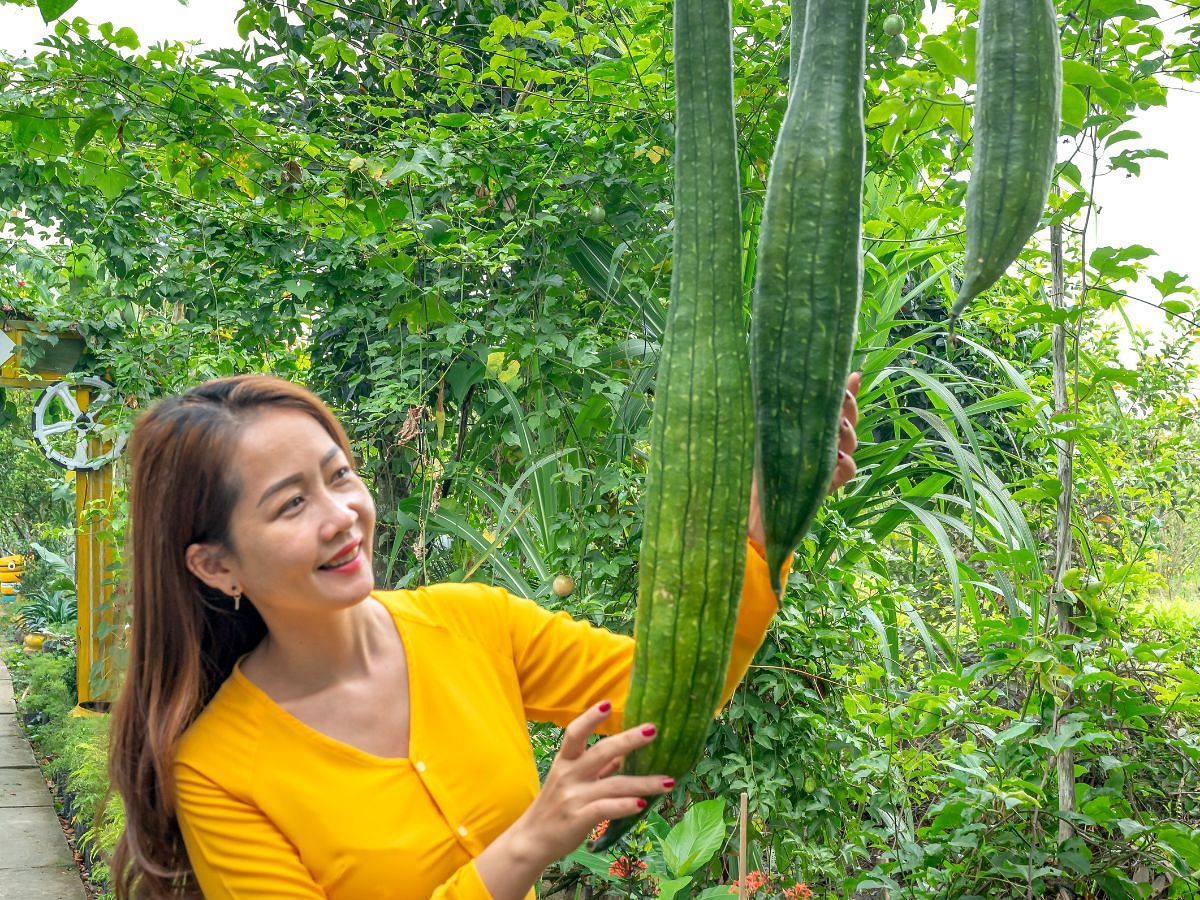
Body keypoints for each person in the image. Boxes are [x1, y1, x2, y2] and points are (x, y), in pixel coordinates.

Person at [108, 372, 860, 899]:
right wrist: (530, 842)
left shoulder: (473, 620)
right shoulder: (215, 772)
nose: (340, 516)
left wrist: (762, 530)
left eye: (339, 476)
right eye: (290, 505)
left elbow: (670, 695)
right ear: (215, 565)